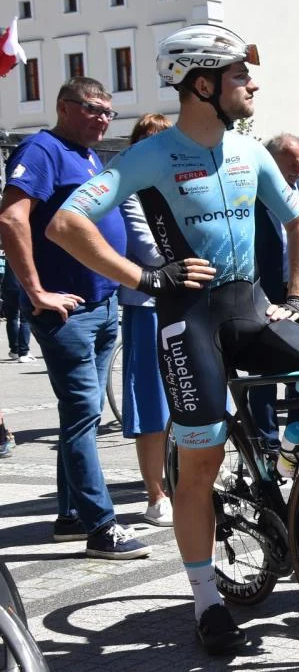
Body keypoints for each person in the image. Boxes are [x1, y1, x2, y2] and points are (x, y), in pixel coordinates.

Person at [48, 24, 299, 654]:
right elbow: (65, 223)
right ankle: (207, 601)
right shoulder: (152, 155)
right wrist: (144, 277)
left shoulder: (250, 152)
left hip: (250, 307)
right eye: (238, 75)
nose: (252, 85)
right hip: (188, 319)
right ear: (202, 85)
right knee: (201, 464)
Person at [0, 76, 149, 560]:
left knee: (79, 414)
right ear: (64, 107)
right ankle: (101, 526)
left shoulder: (88, 156)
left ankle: (70, 515)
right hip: (67, 313)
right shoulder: (41, 150)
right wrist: (36, 291)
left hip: (101, 304)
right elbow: (11, 218)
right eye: (93, 109)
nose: (103, 119)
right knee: (84, 413)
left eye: (108, 112)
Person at [247, 133, 299, 456]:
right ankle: (265, 444)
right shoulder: (253, 193)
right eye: (291, 162)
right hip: (266, 295)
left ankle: (297, 442)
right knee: (264, 372)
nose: (298, 168)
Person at [119, 113, 176, 527]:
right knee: (152, 405)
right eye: (151, 141)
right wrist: (194, 260)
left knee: (194, 400)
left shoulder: (179, 183)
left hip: (187, 303)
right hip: (147, 306)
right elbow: (147, 248)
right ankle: (155, 494)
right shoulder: (130, 188)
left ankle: (188, 480)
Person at [1, 261, 32, 362]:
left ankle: (14, 350)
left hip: (8, 286)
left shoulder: (9, 255)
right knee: (25, 319)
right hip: (23, 286)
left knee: (12, 318)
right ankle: (24, 352)